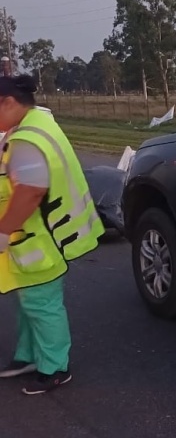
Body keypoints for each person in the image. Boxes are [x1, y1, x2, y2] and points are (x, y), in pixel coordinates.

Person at [0, 75, 105, 395]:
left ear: (8, 102)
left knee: (42, 305)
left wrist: (3, 232)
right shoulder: (37, 123)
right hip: (37, 236)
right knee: (29, 302)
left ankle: (55, 367)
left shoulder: (27, 140)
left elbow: (30, 191)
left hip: (37, 239)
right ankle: (29, 356)